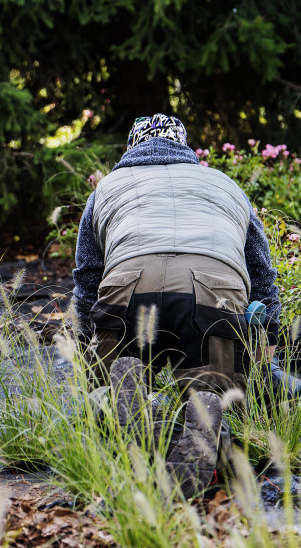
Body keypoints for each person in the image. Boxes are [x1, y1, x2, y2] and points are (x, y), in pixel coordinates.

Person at [72, 113, 281, 495]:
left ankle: (131, 412)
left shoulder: (107, 187)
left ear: (131, 147)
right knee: (219, 399)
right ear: (185, 148)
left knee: (104, 393)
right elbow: (264, 279)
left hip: (128, 286)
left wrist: (88, 353)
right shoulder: (225, 184)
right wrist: (265, 347)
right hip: (213, 291)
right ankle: (205, 417)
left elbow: (87, 282)